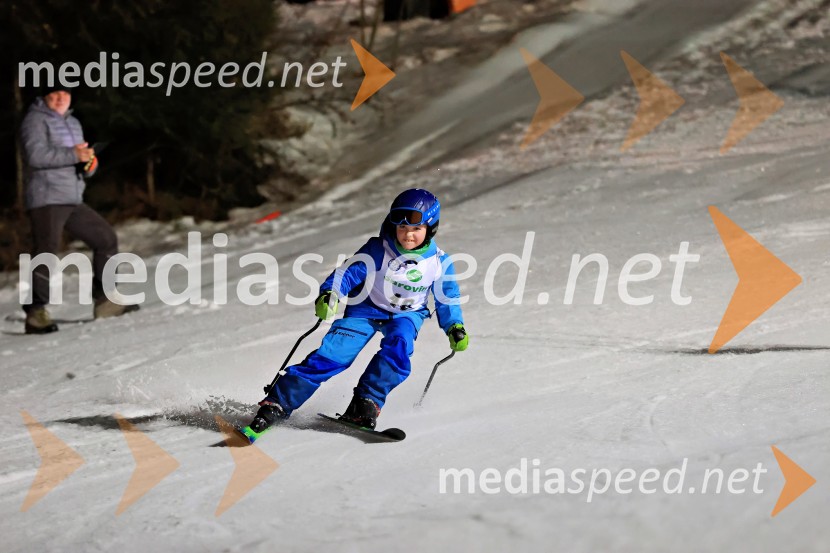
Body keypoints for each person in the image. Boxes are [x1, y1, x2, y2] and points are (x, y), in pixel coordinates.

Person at [242, 188, 469, 440]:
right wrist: (331, 293)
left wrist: (454, 326)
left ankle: (365, 403)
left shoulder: (439, 261)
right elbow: (348, 273)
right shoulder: (378, 249)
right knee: (333, 354)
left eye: (415, 229)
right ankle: (278, 403)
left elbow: (447, 298)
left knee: (399, 349)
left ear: (431, 228)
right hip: (365, 309)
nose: (407, 235)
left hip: (407, 315)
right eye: (402, 228)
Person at [19, 84, 138, 334]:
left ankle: (105, 301)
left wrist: (90, 162)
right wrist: (74, 154)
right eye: (55, 94)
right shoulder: (35, 120)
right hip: (47, 196)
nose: (61, 98)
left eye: (66, 93)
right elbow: (36, 156)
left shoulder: (73, 122)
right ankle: (35, 312)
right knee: (47, 252)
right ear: (45, 97)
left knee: (105, 238)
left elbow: (82, 160)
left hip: (72, 197)